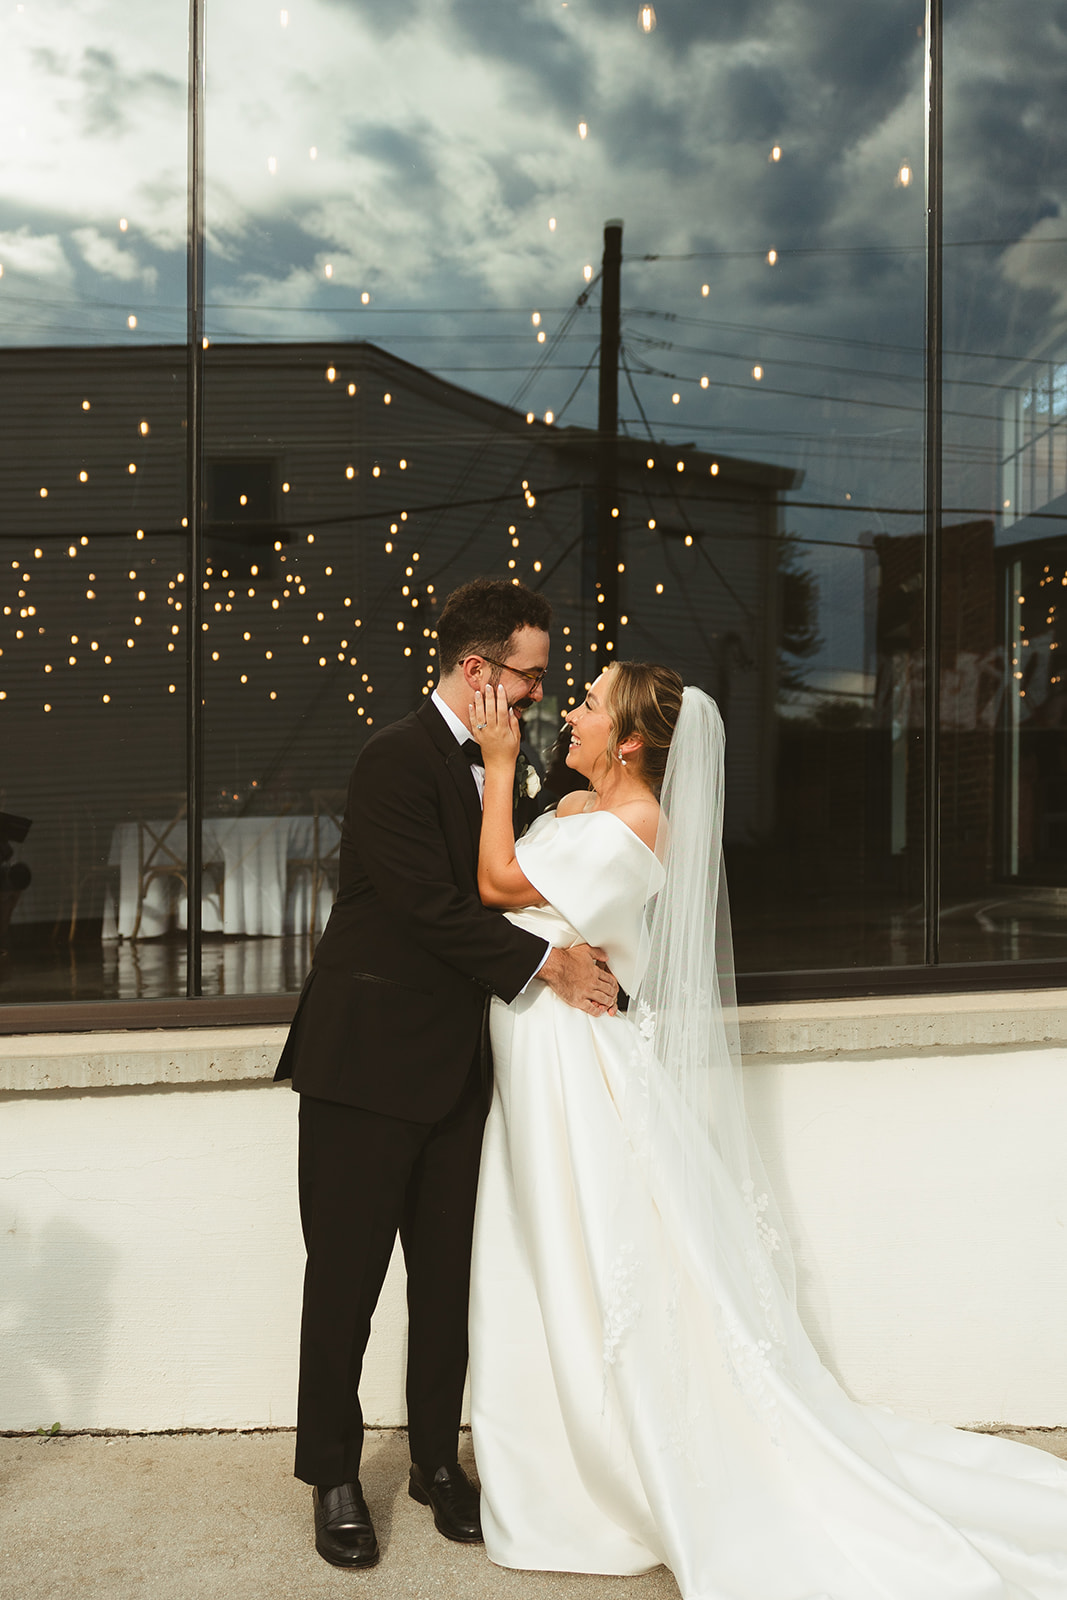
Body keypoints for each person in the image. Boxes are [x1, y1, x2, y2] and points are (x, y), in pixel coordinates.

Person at [466, 661, 1067, 1600]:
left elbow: (500, 883)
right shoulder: (583, 809)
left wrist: (499, 762)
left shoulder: (635, 826)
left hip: (572, 1071)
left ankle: (608, 1470)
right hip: (539, 1062)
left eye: (586, 702)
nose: (568, 712)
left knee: (585, 1252)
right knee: (544, 1255)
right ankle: (547, 1454)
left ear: (631, 740)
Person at [275, 578, 617, 1571]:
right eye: (529, 677)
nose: (539, 694)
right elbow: (432, 907)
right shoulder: (391, 759)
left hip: (461, 1070)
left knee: (447, 1279)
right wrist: (545, 963)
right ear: (478, 672)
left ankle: (435, 1464)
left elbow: (520, 877)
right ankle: (332, 1473)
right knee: (345, 1281)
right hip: (365, 1061)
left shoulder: (504, 761)